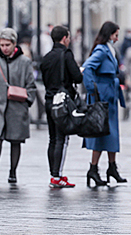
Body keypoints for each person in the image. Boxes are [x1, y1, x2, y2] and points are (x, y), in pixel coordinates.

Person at [0, 28, 37, 183]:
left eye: (7, 45)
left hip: (17, 107)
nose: (4, 48)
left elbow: (31, 85)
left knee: (15, 140)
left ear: (14, 44)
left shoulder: (24, 62)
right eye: (2, 45)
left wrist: (28, 101)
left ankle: (12, 171)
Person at [82, 21, 127, 187]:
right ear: (110, 34)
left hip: (110, 94)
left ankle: (111, 167)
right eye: (116, 34)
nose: (117, 37)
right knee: (101, 132)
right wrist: (92, 89)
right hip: (103, 95)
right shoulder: (101, 50)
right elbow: (87, 68)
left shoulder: (109, 49)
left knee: (111, 133)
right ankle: (94, 169)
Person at [40, 25, 83, 188]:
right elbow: (77, 77)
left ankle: (53, 174)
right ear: (65, 38)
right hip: (63, 101)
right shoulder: (66, 54)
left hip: (50, 99)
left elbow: (44, 78)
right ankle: (56, 176)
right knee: (61, 139)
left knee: (52, 138)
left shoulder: (47, 57)